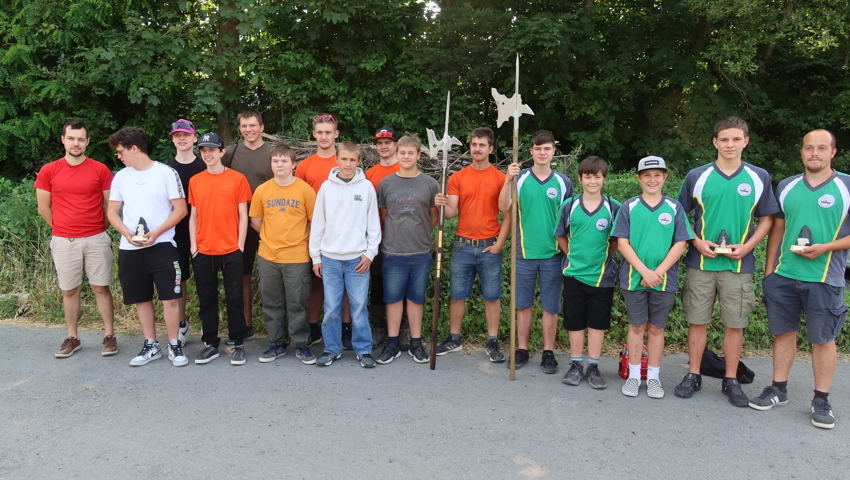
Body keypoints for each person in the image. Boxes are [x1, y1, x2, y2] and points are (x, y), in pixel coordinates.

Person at [674, 116, 779, 406]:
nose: (730, 144)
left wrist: (748, 246)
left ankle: (730, 379)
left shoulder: (759, 176)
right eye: (724, 139)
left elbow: (768, 217)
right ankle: (693, 374)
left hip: (739, 265)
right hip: (702, 262)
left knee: (735, 324)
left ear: (745, 141)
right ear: (715, 142)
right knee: (697, 321)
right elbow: (679, 212)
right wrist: (696, 241)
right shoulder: (698, 176)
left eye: (736, 139)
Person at [750, 129, 849, 429]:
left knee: (824, 340)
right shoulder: (787, 185)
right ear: (802, 152)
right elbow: (777, 230)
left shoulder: (846, 186)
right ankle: (778, 389)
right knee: (784, 334)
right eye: (809, 148)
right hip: (784, 275)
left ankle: (821, 399)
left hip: (825, 277)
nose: (814, 153)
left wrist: (826, 247)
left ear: (833, 152)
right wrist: (769, 272)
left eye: (821, 148)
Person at [106, 127, 188, 367]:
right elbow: (112, 212)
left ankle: (175, 344)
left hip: (162, 245)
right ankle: (151, 344)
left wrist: (157, 233)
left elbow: (181, 210)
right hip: (130, 248)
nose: (118, 156)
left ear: (134, 148)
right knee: (141, 298)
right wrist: (127, 234)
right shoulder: (121, 177)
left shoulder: (166, 173)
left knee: (170, 298)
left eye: (120, 151)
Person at [611, 156, 692, 398]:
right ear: (639, 178)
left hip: (663, 279)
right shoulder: (629, 207)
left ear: (665, 177)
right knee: (636, 327)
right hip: (634, 278)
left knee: (656, 329)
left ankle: (653, 377)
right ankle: (634, 375)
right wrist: (644, 271)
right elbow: (622, 242)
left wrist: (658, 272)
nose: (652, 179)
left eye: (657, 175)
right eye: (647, 175)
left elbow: (681, 244)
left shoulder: (675, 207)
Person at [36, 119, 117, 358]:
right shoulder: (49, 170)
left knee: (101, 287)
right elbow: (43, 207)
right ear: (63, 140)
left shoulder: (100, 169)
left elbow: (111, 206)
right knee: (70, 290)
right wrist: (62, 227)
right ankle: (72, 337)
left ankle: (109, 335)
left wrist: (97, 228)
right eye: (71, 138)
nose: (76, 143)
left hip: (96, 238)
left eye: (81, 139)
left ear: (87, 142)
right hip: (63, 240)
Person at [498, 130, 573, 374]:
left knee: (551, 306)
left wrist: (571, 251)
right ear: (530, 151)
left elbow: (570, 221)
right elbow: (503, 207)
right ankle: (522, 349)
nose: (542, 153)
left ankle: (548, 352)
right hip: (524, 253)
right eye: (537, 148)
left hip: (553, 254)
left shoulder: (563, 182)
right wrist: (507, 180)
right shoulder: (518, 178)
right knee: (523, 305)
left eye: (547, 148)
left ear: (554, 151)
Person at [434, 127, 510, 362]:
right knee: (457, 295)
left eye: (481, 145)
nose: (476, 149)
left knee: (492, 296)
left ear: (490, 148)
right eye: (473, 144)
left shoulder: (500, 178)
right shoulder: (458, 177)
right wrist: (440, 203)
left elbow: (508, 214)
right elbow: (449, 215)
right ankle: (454, 339)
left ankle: (492, 341)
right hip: (462, 246)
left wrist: (499, 244)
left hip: (489, 246)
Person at [309, 141, 381, 367]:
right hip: (330, 258)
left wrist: (370, 253)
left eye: (352, 160)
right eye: (344, 159)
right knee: (331, 307)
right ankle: (332, 349)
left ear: (358, 161)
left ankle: (363, 349)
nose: (348, 163)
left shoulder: (366, 187)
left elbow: (373, 224)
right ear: (336, 160)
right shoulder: (326, 188)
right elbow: (318, 224)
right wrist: (316, 257)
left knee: (359, 306)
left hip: (357, 259)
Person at [555, 156, 620, 388]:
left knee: (596, 323)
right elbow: (560, 234)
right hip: (574, 274)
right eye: (588, 176)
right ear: (580, 178)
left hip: (602, 277)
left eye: (597, 177)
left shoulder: (613, 207)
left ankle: (593, 366)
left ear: (604, 178)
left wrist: (605, 259)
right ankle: (575, 364)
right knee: (575, 322)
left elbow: (616, 241)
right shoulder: (569, 206)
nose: (593, 181)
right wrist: (570, 254)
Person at [250, 145, 317, 365]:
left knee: (297, 303)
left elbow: (312, 221)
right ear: (271, 164)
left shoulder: (305, 190)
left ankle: (301, 345)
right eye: (276, 161)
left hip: (297, 256)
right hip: (268, 255)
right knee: (272, 303)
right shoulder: (262, 190)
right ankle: (277, 343)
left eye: (284, 161)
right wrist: (272, 238)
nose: (280, 165)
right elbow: (256, 221)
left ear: (293, 164)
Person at [189, 132, 253, 365]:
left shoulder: (237, 179)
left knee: (235, 298)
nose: (208, 154)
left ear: (221, 152)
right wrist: (194, 246)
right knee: (207, 299)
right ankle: (210, 344)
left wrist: (240, 245)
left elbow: (243, 215)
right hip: (204, 250)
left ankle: (238, 343)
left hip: (231, 249)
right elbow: (193, 216)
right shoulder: (196, 181)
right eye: (204, 151)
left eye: (212, 150)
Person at [376, 133, 439, 365]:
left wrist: (420, 233)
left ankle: (415, 342)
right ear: (396, 154)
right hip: (393, 251)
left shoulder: (430, 184)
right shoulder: (386, 183)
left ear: (418, 155)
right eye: (402, 152)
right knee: (392, 299)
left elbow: (433, 216)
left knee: (416, 298)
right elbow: (384, 216)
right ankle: (392, 343)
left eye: (410, 153)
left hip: (420, 251)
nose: (406, 156)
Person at [296, 113, 353, 348]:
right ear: (313, 134)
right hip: (314, 233)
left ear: (336, 134)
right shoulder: (305, 165)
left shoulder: (344, 161)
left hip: (345, 234)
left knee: (348, 283)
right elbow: (297, 199)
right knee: (316, 283)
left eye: (328, 132)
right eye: (319, 132)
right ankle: (314, 327)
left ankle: (346, 328)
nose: (323, 136)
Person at [222, 109, 274, 336]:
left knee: (273, 273)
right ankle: (245, 324)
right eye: (244, 126)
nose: (248, 130)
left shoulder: (273, 153)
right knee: (241, 274)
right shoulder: (231, 154)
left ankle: (276, 326)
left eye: (253, 125)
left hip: (269, 222)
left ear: (261, 127)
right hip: (238, 223)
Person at [166, 119, 206, 346]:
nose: (181, 139)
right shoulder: (166, 170)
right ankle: (181, 324)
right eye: (177, 135)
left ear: (194, 138)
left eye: (186, 135)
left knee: (204, 280)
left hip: (204, 231)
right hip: (175, 234)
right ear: (173, 139)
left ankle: (207, 323)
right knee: (179, 281)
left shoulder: (204, 166)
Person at [365, 127, 400, 345]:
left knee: (400, 285)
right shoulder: (370, 174)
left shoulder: (405, 168)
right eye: (379, 143)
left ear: (396, 144)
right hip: (377, 236)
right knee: (377, 284)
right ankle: (378, 327)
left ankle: (402, 328)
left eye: (388, 142)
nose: (384, 146)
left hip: (401, 238)